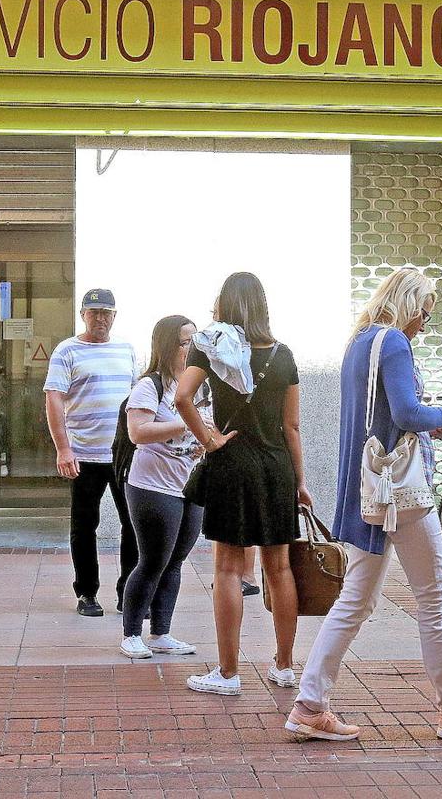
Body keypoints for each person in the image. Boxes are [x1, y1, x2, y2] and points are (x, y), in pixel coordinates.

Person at [285, 266, 442, 742]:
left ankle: (309, 705)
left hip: (368, 491)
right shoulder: (393, 343)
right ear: (408, 304)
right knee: (434, 598)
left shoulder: (359, 342)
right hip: (400, 495)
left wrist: (436, 424)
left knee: (354, 601)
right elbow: (408, 412)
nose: (425, 324)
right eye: (425, 313)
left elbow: (391, 415)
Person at [175, 272, 307, 696]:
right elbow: (292, 426)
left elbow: (182, 398)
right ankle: (285, 667)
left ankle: (228, 674)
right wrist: (298, 481)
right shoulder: (283, 354)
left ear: (224, 305)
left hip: (232, 465)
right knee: (279, 567)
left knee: (228, 568)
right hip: (275, 468)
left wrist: (208, 438)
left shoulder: (210, 345)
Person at [44, 288, 140, 617]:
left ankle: (129, 592)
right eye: (94, 312)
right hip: (84, 454)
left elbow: (138, 400)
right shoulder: (67, 351)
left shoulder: (127, 349)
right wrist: (63, 448)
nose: (100, 318)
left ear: (115, 316)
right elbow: (54, 397)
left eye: (106, 312)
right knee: (84, 526)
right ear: (83, 315)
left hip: (124, 454)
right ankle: (86, 593)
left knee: (133, 524)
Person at [119, 315, 209, 659]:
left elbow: (206, 427)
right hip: (152, 486)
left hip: (189, 484)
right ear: (168, 346)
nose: (192, 349)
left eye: (195, 342)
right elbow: (138, 432)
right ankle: (131, 633)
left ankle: (161, 632)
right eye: (186, 343)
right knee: (153, 561)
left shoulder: (199, 386)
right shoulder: (150, 386)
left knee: (176, 561)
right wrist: (184, 424)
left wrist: (205, 439)